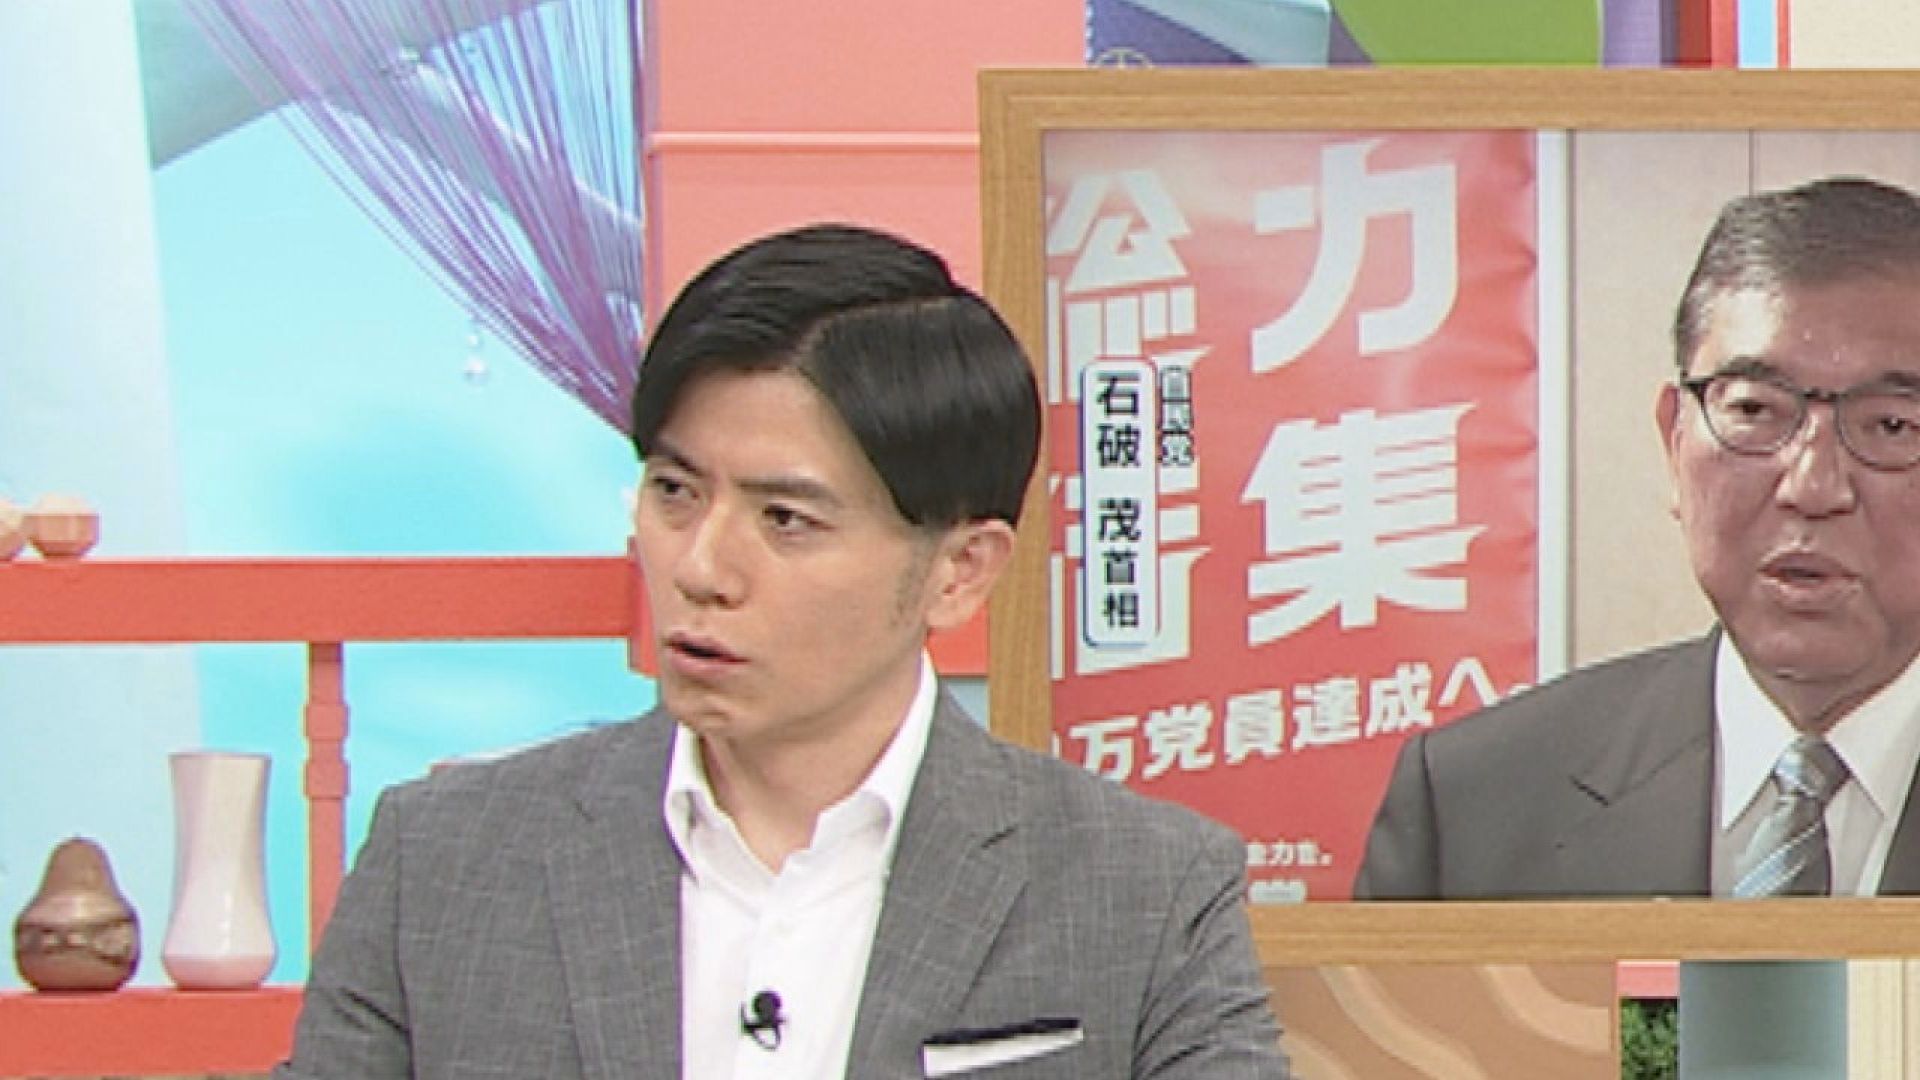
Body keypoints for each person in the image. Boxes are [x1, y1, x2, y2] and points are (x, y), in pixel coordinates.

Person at [276, 223, 1291, 1078]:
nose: (701, 567)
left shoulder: (1145, 892)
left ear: (960, 571)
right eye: (675, 492)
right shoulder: (442, 862)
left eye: (786, 520)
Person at [1354, 176, 1920, 900]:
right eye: (1755, 410)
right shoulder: (1471, 802)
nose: (1812, 487)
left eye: (1892, 425)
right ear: (1674, 440)